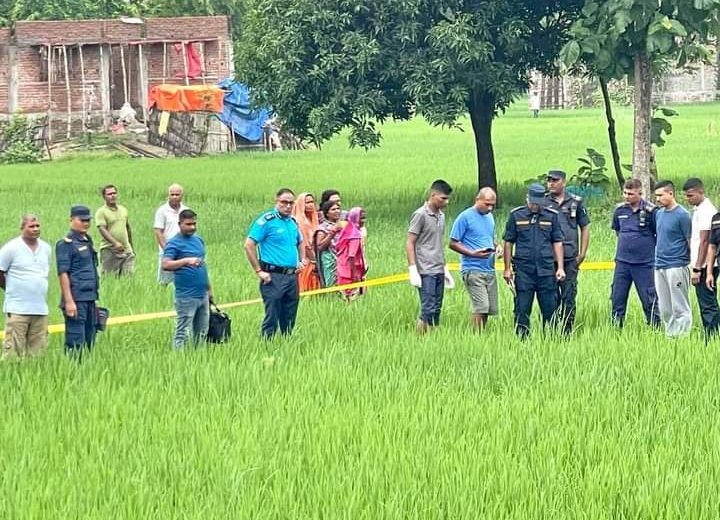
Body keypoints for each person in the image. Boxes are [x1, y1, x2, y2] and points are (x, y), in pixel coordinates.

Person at [503, 183, 565, 339]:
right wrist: (507, 268)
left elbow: (557, 242)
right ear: (527, 199)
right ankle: (522, 340)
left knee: (550, 309)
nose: (535, 206)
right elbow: (508, 242)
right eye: (533, 203)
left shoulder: (551, 216)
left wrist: (560, 267)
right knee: (522, 309)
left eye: (538, 204)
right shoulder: (516, 215)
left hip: (546, 270)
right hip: (524, 271)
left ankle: (550, 340)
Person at [244, 188, 304, 339]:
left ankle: (286, 342)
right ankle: (267, 343)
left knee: (290, 314)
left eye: (291, 203)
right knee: (272, 315)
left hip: (292, 276)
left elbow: (300, 242)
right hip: (273, 275)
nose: (288, 206)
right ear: (276, 202)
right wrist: (259, 271)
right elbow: (249, 245)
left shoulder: (292, 222)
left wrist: (302, 261)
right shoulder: (266, 221)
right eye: (284, 202)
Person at [0, 215, 52, 358]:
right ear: (22, 228)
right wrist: (10, 288)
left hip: (40, 309)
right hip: (17, 309)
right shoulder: (11, 248)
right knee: (12, 354)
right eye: (31, 226)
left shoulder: (46, 248)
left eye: (37, 226)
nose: (35, 229)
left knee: (38, 354)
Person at [610, 179, 660, 327]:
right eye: (625, 193)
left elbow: (658, 234)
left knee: (649, 299)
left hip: (644, 264)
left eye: (631, 194)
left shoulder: (651, 211)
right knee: (617, 297)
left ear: (640, 193)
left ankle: (655, 328)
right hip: (623, 263)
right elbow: (618, 231)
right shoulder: (619, 210)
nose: (627, 196)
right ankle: (616, 329)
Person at [406, 180, 455, 333]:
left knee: (436, 310)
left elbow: (438, 243)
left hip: (438, 268)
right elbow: (410, 242)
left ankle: (433, 338)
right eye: (443, 198)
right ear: (433, 195)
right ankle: (420, 338)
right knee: (427, 309)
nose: (446, 202)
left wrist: (445, 267)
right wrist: (413, 269)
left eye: (447, 199)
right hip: (425, 269)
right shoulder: (420, 215)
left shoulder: (441, 216)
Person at [545, 169, 590, 334]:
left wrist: (582, 254)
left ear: (563, 182)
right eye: (549, 180)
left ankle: (567, 331)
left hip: (570, 257)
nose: (551, 183)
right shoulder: (543, 202)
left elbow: (585, 227)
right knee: (549, 296)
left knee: (569, 295)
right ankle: (550, 331)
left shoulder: (575, 202)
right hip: (548, 258)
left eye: (555, 180)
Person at [449, 187, 499, 331]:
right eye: (487, 204)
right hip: (473, 269)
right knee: (481, 306)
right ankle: (475, 335)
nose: (490, 208)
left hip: (489, 269)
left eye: (492, 205)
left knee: (489, 308)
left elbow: (489, 239)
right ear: (477, 200)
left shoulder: (490, 217)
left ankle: (481, 333)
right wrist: (472, 253)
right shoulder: (465, 217)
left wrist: (497, 247)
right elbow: (453, 242)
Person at [162, 209, 213, 349]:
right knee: (183, 332)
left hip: (202, 294)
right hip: (186, 296)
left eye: (194, 224)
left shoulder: (199, 241)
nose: (192, 227)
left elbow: (203, 265)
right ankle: (179, 358)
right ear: (180, 224)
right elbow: (166, 264)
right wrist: (186, 261)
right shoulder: (174, 243)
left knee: (202, 332)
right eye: (188, 224)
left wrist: (209, 289)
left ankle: (198, 357)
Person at [56, 205, 100, 357]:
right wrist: (69, 301)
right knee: (76, 342)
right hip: (76, 299)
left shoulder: (87, 241)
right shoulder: (65, 244)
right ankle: (73, 368)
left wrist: (94, 299)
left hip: (89, 298)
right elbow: (63, 273)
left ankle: (86, 368)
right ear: (71, 220)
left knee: (89, 340)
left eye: (88, 220)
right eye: (82, 220)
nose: (86, 223)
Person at [654, 180, 692, 337]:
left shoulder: (683, 215)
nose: (657, 199)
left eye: (660, 195)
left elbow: (690, 241)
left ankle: (683, 337)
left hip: (676, 265)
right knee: (665, 307)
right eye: (656, 196)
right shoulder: (659, 214)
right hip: (659, 265)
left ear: (671, 193)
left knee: (680, 306)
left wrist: (693, 266)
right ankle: (670, 337)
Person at [683, 177, 720, 339]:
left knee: (707, 303)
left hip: (705, 265)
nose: (688, 199)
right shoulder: (699, 209)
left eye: (691, 195)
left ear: (701, 192)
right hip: (704, 264)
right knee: (707, 301)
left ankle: (711, 336)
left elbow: (705, 241)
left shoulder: (706, 211)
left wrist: (697, 268)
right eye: (686, 195)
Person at [95, 184, 135, 276]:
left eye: (114, 193)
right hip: (109, 249)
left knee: (128, 277)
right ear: (104, 197)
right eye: (109, 194)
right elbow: (102, 229)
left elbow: (127, 227)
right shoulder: (101, 212)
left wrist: (131, 246)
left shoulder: (123, 209)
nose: (113, 196)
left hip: (126, 249)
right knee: (109, 277)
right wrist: (115, 243)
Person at [153, 183, 187, 285]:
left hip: (183, 251)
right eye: (172, 194)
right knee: (164, 281)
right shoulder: (162, 211)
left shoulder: (186, 211)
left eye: (177, 194)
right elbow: (158, 231)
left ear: (182, 195)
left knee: (183, 279)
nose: (174, 197)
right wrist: (167, 249)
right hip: (167, 251)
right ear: (168, 195)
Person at [336, 207, 367, 301]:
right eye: (361, 218)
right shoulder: (355, 235)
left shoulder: (347, 230)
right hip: (351, 271)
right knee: (351, 299)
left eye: (364, 218)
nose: (363, 221)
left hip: (342, 267)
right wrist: (354, 275)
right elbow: (351, 256)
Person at [292, 192, 321, 292]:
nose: (310, 205)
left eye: (312, 202)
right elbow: (305, 244)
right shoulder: (300, 221)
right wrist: (314, 261)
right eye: (307, 202)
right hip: (306, 259)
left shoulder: (313, 219)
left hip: (315, 255)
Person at [314, 200, 343, 288]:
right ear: (327, 213)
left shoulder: (343, 224)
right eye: (333, 209)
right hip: (330, 259)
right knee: (332, 285)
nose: (337, 211)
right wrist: (333, 232)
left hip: (343, 259)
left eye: (338, 208)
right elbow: (320, 246)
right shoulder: (323, 227)